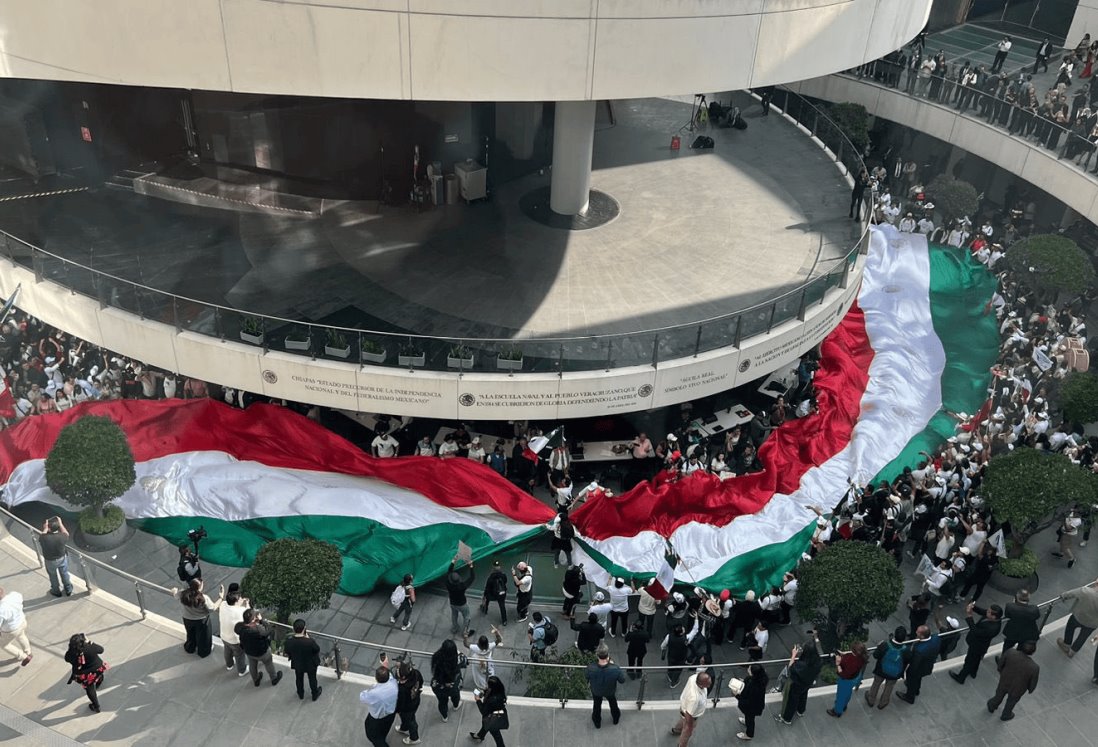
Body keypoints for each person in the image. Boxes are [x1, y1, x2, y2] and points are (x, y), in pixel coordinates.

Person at [949, 602, 1003, 683]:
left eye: (988, 612)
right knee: (976, 660)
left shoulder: (992, 628)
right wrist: (973, 607)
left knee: (969, 661)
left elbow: (975, 631)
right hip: (980, 645)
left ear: (993, 616)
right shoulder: (992, 617)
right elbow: (982, 611)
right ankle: (973, 672)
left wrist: (969, 617)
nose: (986, 612)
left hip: (977, 646)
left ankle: (961, 678)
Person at [987, 640, 1040, 721]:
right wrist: (1030, 689)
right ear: (1033, 652)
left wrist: (1002, 672)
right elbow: (1032, 684)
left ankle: (992, 705)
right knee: (1011, 701)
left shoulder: (1010, 652)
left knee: (999, 694)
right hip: (1018, 688)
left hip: (1005, 680)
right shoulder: (1034, 667)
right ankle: (1006, 714)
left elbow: (1000, 664)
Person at [172, 578, 223, 658]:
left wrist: (174, 590)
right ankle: (204, 651)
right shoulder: (203, 598)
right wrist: (220, 598)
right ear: (200, 587)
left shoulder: (183, 594)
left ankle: (190, 648)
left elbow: (175, 596)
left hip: (187, 618)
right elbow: (212, 608)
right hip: (201, 621)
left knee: (190, 634)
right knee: (203, 637)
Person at [777, 634, 822, 723]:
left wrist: (793, 655)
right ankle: (800, 710)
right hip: (808, 682)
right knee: (803, 696)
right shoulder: (818, 660)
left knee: (792, 700)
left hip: (797, 684)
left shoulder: (802, 665)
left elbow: (791, 668)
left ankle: (787, 718)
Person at [236, 608, 283, 687]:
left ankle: (256, 679)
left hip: (249, 652)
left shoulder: (242, 628)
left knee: (252, 665)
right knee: (268, 664)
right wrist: (262, 621)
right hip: (262, 652)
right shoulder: (257, 629)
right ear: (254, 619)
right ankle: (274, 678)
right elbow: (267, 632)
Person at [865, 626, 909, 710]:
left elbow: (875, 655)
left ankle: (871, 699)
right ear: (904, 638)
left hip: (881, 670)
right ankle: (883, 702)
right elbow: (907, 660)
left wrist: (878, 647)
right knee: (889, 686)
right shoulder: (906, 650)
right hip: (895, 673)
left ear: (894, 635)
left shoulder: (885, 644)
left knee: (876, 683)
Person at [1057, 576, 1098, 658]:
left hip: (1078, 616)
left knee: (1070, 627)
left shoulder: (1085, 591)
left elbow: (1071, 593)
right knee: (1083, 637)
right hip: (1092, 624)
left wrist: (1063, 596)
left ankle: (1066, 644)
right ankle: (1072, 652)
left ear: (1096, 582)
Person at [897, 625, 940, 704]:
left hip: (918, 668)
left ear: (922, 636)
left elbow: (914, 665)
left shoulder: (919, 650)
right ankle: (916, 690)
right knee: (918, 678)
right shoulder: (936, 638)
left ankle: (909, 697)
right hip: (928, 666)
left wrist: (908, 673)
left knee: (913, 680)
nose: (916, 632)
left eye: (918, 632)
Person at [361, 660, 399, 747]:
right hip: (390, 714)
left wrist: (372, 688)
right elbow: (390, 676)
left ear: (376, 678)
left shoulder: (374, 693)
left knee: (373, 736)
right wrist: (385, 666)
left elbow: (362, 697)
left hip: (378, 719)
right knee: (384, 731)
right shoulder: (393, 683)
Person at [65, 633, 106, 713]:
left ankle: (96, 706)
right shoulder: (90, 647)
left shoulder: (72, 653)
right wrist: (90, 642)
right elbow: (101, 650)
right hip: (98, 668)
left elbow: (67, 659)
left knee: (90, 689)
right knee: (98, 676)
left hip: (86, 675)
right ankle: (99, 682)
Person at [586, 645, 625, 728]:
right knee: (613, 703)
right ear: (608, 655)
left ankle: (597, 722)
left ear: (597, 655)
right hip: (610, 690)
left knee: (596, 705)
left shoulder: (590, 668)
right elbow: (622, 680)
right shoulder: (615, 668)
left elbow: (586, 678)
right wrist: (613, 665)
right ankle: (616, 718)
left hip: (596, 691)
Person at [283, 618, 322, 702]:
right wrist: (307, 638)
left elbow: (287, 651)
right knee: (312, 679)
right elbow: (316, 649)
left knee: (299, 678)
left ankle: (300, 693)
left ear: (294, 629)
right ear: (304, 629)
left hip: (297, 663)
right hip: (310, 664)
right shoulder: (309, 642)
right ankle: (314, 694)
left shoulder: (289, 641)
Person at [827, 640, 868, 717]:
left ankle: (837, 711)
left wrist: (838, 664)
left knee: (841, 696)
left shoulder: (851, 661)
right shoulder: (862, 657)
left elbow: (843, 674)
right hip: (855, 678)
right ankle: (844, 705)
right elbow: (851, 656)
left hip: (846, 681)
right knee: (848, 693)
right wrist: (843, 654)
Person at [670, 671, 711, 746]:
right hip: (691, 716)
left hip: (684, 708)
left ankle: (677, 730)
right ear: (701, 684)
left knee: (682, 720)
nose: (710, 683)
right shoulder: (695, 698)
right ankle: (682, 745)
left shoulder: (693, 678)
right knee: (686, 733)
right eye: (708, 683)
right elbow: (689, 714)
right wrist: (690, 726)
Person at [219, 583, 250, 676]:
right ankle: (242, 670)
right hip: (234, 640)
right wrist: (247, 604)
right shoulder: (240, 611)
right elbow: (248, 614)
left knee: (227, 650)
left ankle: (229, 665)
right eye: (239, 598)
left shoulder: (223, 605)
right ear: (236, 602)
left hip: (224, 635)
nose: (241, 599)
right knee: (239, 655)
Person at [430, 639, 464, 722]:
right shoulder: (458, 660)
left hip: (438, 685)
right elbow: (465, 662)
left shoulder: (436, 657)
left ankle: (444, 716)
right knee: (455, 695)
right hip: (453, 684)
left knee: (442, 702)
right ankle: (456, 706)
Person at [39, 516, 73, 597]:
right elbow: (66, 533)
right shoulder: (62, 536)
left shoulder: (44, 538)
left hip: (50, 560)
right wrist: (60, 524)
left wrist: (45, 528)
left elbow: (42, 534)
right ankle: (68, 589)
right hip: (61, 558)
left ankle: (56, 591)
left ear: (49, 529)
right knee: (64, 573)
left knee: (52, 575)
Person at [469, 675, 508, 746]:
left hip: (492, 718)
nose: (487, 686)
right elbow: (490, 692)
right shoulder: (500, 691)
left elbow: (483, 711)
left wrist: (478, 700)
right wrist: (484, 692)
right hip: (495, 714)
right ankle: (480, 736)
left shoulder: (493, 700)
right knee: (485, 725)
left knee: (496, 733)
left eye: (488, 685)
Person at [662, 617, 700, 687]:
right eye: (683, 629)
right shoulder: (687, 638)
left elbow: (663, 646)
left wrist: (663, 651)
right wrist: (696, 619)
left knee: (670, 666)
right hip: (681, 658)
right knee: (678, 670)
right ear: (681, 633)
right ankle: (673, 682)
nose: (683, 628)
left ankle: (670, 676)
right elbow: (695, 630)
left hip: (671, 656)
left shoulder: (669, 637)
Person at [0, 586, 32, 668]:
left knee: (4, 645)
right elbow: (20, 599)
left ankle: (23, 657)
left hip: (11, 630)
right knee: (21, 636)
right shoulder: (14, 595)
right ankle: (28, 652)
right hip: (22, 621)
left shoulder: (1, 610)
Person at [735, 663, 768, 741]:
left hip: (752, 707)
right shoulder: (760, 679)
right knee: (749, 717)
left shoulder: (755, 687)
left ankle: (749, 734)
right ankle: (746, 722)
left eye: (750, 669)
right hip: (755, 705)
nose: (748, 669)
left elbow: (748, 700)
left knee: (750, 719)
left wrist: (736, 695)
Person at [395, 660, 424, 745]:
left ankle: (414, 738)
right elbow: (421, 682)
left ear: (403, 678)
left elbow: (401, 702)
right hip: (415, 700)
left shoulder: (403, 689)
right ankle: (404, 727)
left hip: (407, 707)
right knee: (408, 718)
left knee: (411, 721)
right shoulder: (416, 673)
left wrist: (397, 710)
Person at [446, 555, 475, 634]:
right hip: (462, 603)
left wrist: (453, 561)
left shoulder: (448, 583)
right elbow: (472, 578)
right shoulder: (462, 586)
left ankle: (455, 628)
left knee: (454, 614)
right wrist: (471, 566)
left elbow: (449, 571)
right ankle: (466, 632)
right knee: (467, 616)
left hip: (452, 602)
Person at [480, 561, 508, 625]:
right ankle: (504, 620)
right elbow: (505, 582)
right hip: (502, 594)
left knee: (487, 600)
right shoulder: (503, 575)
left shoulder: (491, 577)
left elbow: (487, 587)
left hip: (493, 594)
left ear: (493, 568)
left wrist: (485, 595)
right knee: (502, 606)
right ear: (500, 567)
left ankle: (485, 610)